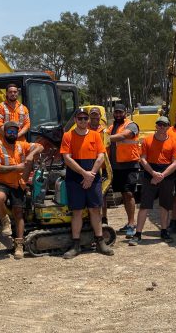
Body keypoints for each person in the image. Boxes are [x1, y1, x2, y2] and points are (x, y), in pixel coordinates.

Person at [60, 108, 115, 259]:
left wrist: (91, 174)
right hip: (75, 178)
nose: (83, 121)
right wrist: (84, 174)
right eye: (80, 118)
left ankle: (100, 242)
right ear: (76, 120)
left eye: (85, 118)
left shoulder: (96, 136)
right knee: (76, 211)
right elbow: (67, 158)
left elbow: (101, 156)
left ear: (88, 120)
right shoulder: (68, 136)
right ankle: (76, 245)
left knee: (95, 209)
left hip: (93, 176)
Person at [0, 121, 43, 259]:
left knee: (19, 213)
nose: (12, 134)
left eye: (14, 132)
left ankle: (19, 244)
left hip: (18, 184)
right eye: (9, 132)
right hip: (2, 182)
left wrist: (31, 154)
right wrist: (16, 168)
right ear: (4, 132)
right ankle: (4, 220)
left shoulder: (21, 145)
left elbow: (40, 146)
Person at [129, 116, 176, 246]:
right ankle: (138, 234)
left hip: (166, 174)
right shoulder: (147, 140)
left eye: (164, 125)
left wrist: (162, 175)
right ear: (156, 126)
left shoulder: (173, 142)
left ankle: (164, 231)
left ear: (169, 126)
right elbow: (143, 159)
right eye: (159, 125)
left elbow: (175, 163)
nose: (162, 127)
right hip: (150, 174)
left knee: (165, 205)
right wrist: (153, 173)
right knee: (145, 205)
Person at [107, 104, 141, 238]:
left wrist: (104, 138)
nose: (118, 114)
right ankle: (129, 223)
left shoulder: (131, 125)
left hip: (130, 165)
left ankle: (132, 224)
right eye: (116, 112)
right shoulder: (111, 127)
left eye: (120, 112)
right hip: (116, 167)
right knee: (123, 194)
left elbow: (124, 136)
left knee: (128, 193)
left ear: (126, 112)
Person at [87, 106, 110, 224]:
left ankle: (103, 217)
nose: (94, 117)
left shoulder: (105, 131)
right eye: (92, 114)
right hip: (88, 166)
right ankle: (92, 219)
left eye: (96, 114)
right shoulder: (84, 129)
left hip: (103, 168)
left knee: (102, 194)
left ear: (100, 116)